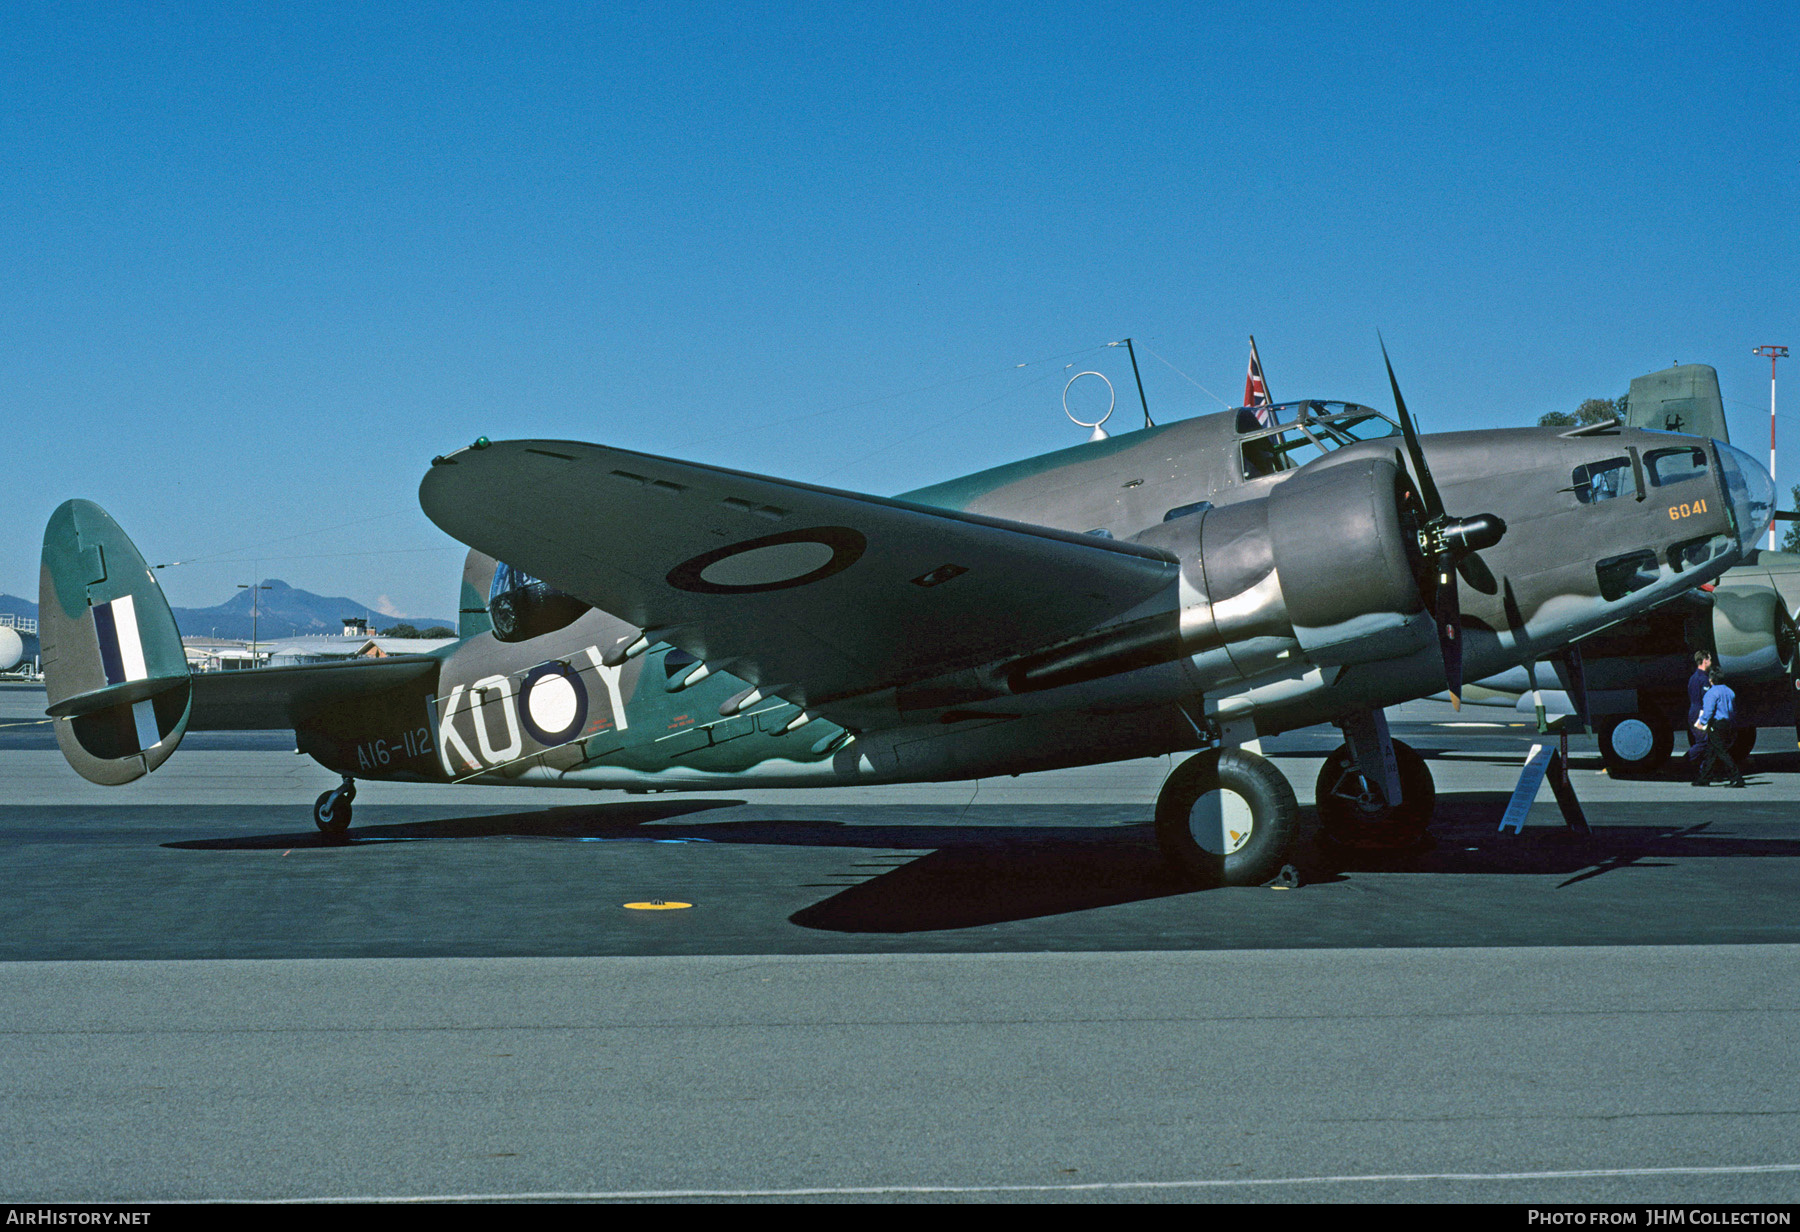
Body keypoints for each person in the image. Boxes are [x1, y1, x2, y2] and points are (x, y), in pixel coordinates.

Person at [1693, 668, 1747, 788]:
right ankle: (1704, 778)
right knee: (1711, 752)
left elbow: (1708, 711)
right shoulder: (1730, 691)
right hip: (1728, 723)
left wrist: (1702, 722)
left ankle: (1736, 777)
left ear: (1711, 680)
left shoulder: (1711, 693)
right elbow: (1733, 710)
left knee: (1721, 752)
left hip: (1716, 724)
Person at [1685, 650, 1714, 774]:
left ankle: (1705, 771)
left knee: (1706, 742)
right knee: (1703, 742)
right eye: (1710, 659)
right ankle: (1684, 762)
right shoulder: (1704, 679)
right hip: (1700, 713)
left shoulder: (1693, 678)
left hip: (1693, 711)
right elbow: (1707, 698)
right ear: (1704, 660)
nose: (1711, 662)